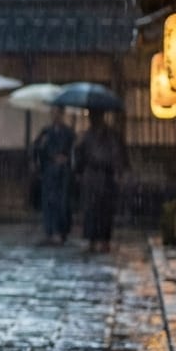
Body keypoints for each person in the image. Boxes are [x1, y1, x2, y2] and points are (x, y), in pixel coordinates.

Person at [74, 108, 129, 253]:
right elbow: (79, 158)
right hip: (91, 176)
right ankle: (92, 240)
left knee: (105, 211)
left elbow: (117, 155)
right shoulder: (86, 136)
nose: (94, 119)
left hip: (105, 176)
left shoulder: (110, 135)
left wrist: (119, 172)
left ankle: (104, 240)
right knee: (90, 210)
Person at [30, 105, 75, 245]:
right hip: (49, 171)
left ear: (62, 114)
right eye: (53, 113)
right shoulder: (46, 132)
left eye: (58, 113)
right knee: (49, 201)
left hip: (63, 172)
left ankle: (61, 232)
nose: (55, 116)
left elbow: (75, 151)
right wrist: (41, 148)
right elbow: (35, 149)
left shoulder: (69, 132)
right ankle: (50, 231)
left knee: (62, 202)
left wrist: (66, 159)